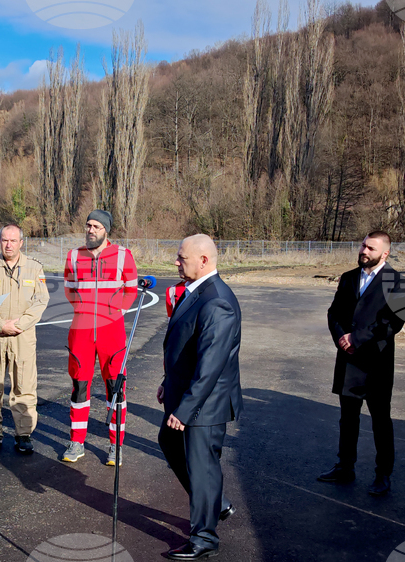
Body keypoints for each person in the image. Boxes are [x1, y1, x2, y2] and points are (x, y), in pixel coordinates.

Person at [157, 234, 241, 560]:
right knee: (169, 442)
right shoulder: (196, 290)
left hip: (205, 403)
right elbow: (185, 350)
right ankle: (216, 504)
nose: (176, 262)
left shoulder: (217, 300)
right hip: (185, 394)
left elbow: (211, 365)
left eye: (182, 258)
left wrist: (186, 407)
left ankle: (204, 539)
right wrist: (168, 382)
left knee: (203, 466)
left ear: (203, 261)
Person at [319, 231, 405, 496]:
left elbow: (394, 322)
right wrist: (341, 338)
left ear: (385, 253)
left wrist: (357, 338)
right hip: (348, 360)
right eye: (362, 245)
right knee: (348, 418)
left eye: (370, 248)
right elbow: (333, 312)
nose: (364, 251)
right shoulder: (348, 278)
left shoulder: (398, 282)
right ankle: (345, 466)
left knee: (381, 420)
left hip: (376, 363)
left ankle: (383, 474)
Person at [62, 210, 138, 464]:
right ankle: (76, 442)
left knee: (115, 388)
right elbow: (69, 290)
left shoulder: (122, 255)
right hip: (80, 331)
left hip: (111, 331)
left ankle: (115, 446)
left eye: (96, 226)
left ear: (106, 230)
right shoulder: (73, 256)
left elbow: (131, 289)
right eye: (88, 225)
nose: (90, 229)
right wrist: (84, 312)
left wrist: (115, 313)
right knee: (79, 387)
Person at [0, 224, 50, 454]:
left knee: (24, 386)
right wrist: (0, 324)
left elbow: (41, 301)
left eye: (13, 240)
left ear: (21, 242)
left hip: (23, 336)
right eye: (4, 240)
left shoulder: (34, 268)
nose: (8, 244)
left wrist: (18, 325)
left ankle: (23, 434)